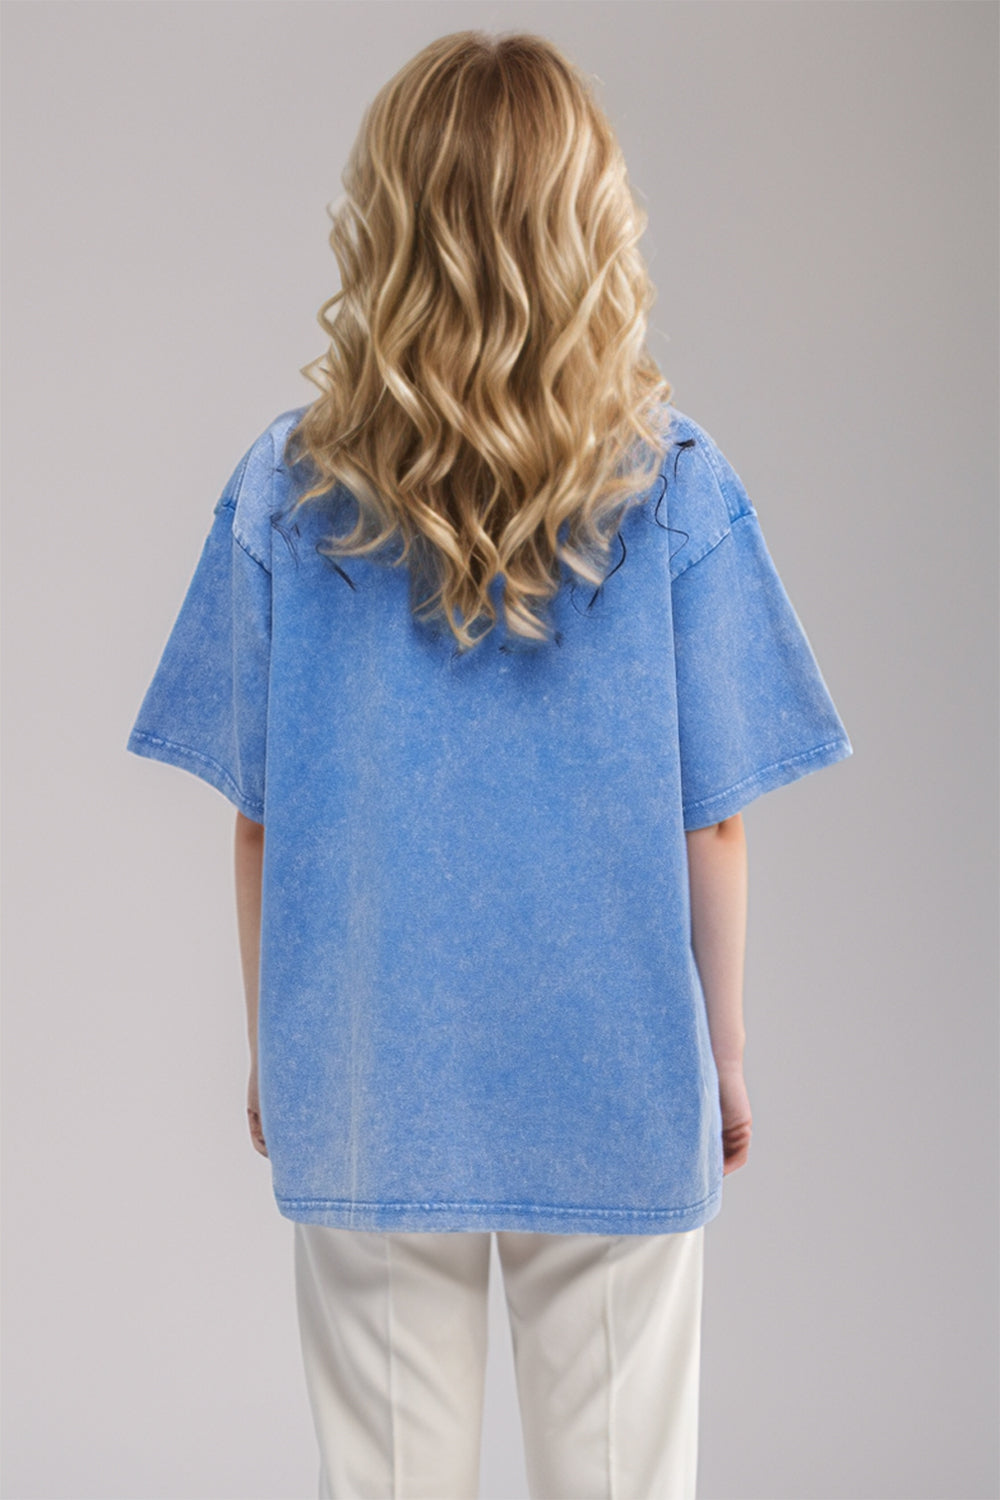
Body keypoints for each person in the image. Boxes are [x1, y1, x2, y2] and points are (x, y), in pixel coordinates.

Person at [125, 29, 853, 1500]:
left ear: (384, 224)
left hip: (373, 1076)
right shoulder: (674, 484)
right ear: (592, 224)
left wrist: (277, 1050)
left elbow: (261, 820)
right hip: (617, 1071)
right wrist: (720, 1057)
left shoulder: (288, 489)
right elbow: (712, 825)